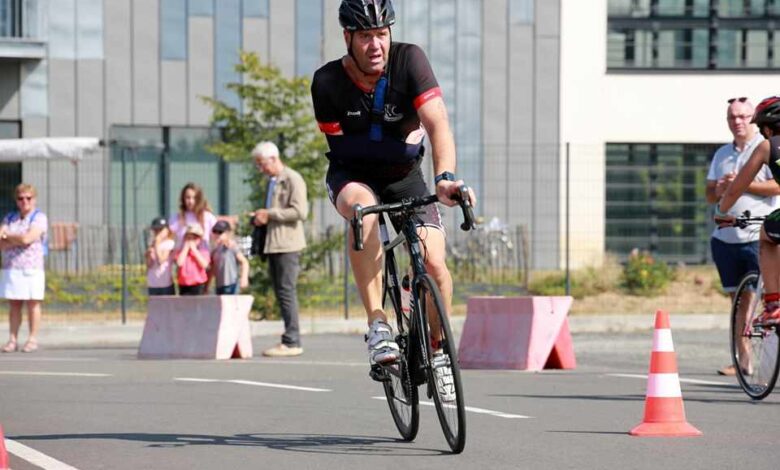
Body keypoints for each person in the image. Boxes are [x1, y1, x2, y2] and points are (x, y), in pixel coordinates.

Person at [310, 0, 476, 369]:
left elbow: (438, 125)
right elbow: (341, 149)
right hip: (354, 176)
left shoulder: (410, 61)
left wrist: (445, 179)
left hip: (405, 177)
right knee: (362, 214)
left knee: (433, 263)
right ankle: (378, 324)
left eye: (382, 34)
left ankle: (438, 350)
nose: (375, 45)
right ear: (347, 38)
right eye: (366, 36)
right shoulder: (327, 82)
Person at [706, 97, 779, 376]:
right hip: (728, 241)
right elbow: (712, 189)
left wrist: (722, 209)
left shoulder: (765, 147)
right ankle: (744, 355)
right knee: (739, 297)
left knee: (766, 237)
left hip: (751, 228)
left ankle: (772, 304)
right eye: (731, 117)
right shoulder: (722, 154)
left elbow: (738, 188)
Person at [251, 141, 308, 357]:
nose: (261, 169)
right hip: (273, 244)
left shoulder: (292, 179)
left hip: (288, 244)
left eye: (262, 164)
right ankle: (289, 338)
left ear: (274, 158)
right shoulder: (272, 182)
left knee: (286, 292)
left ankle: (292, 341)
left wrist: (270, 214)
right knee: (281, 292)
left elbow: (300, 211)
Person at [0, 184, 48, 353]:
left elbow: (28, 238)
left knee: (33, 303)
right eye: (21, 198)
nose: (24, 202)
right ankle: (12, 339)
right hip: (11, 267)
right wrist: (15, 238)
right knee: (14, 304)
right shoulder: (10, 218)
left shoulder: (39, 217)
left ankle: (32, 338)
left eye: (28, 198)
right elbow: (1, 240)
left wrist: (9, 237)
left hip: (31, 268)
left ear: (34, 199)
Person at [169, 183, 217, 248]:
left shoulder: (208, 217)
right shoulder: (176, 218)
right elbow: (169, 239)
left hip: (202, 255)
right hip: (183, 255)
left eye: (194, 198)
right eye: (188, 197)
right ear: (183, 199)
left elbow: (217, 238)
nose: (191, 201)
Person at [209, 220, 250, 295]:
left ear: (227, 233)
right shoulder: (215, 250)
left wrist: (244, 278)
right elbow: (212, 268)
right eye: (215, 231)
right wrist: (207, 286)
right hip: (219, 285)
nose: (217, 234)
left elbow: (244, 262)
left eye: (220, 232)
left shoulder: (232, 246)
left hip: (231, 284)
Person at [175, 224, 210, 295]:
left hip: (198, 284)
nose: (191, 240)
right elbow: (179, 263)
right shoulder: (181, 251)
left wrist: (194, 250)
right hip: (184, 284)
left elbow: (205, 265)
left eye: (195, 238)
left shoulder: (203, 251)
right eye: (189, 238)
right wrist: (186, 248)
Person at [146, 217, 176, 296]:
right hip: (153, 284)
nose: (158, 233)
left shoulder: (169, 243)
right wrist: (149, 254)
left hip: (165, 284)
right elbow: (149, 264)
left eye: (160, 230)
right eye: (155, 230)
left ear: (167, 230)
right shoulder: (152, 244)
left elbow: (161, 260)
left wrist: (156, 245)